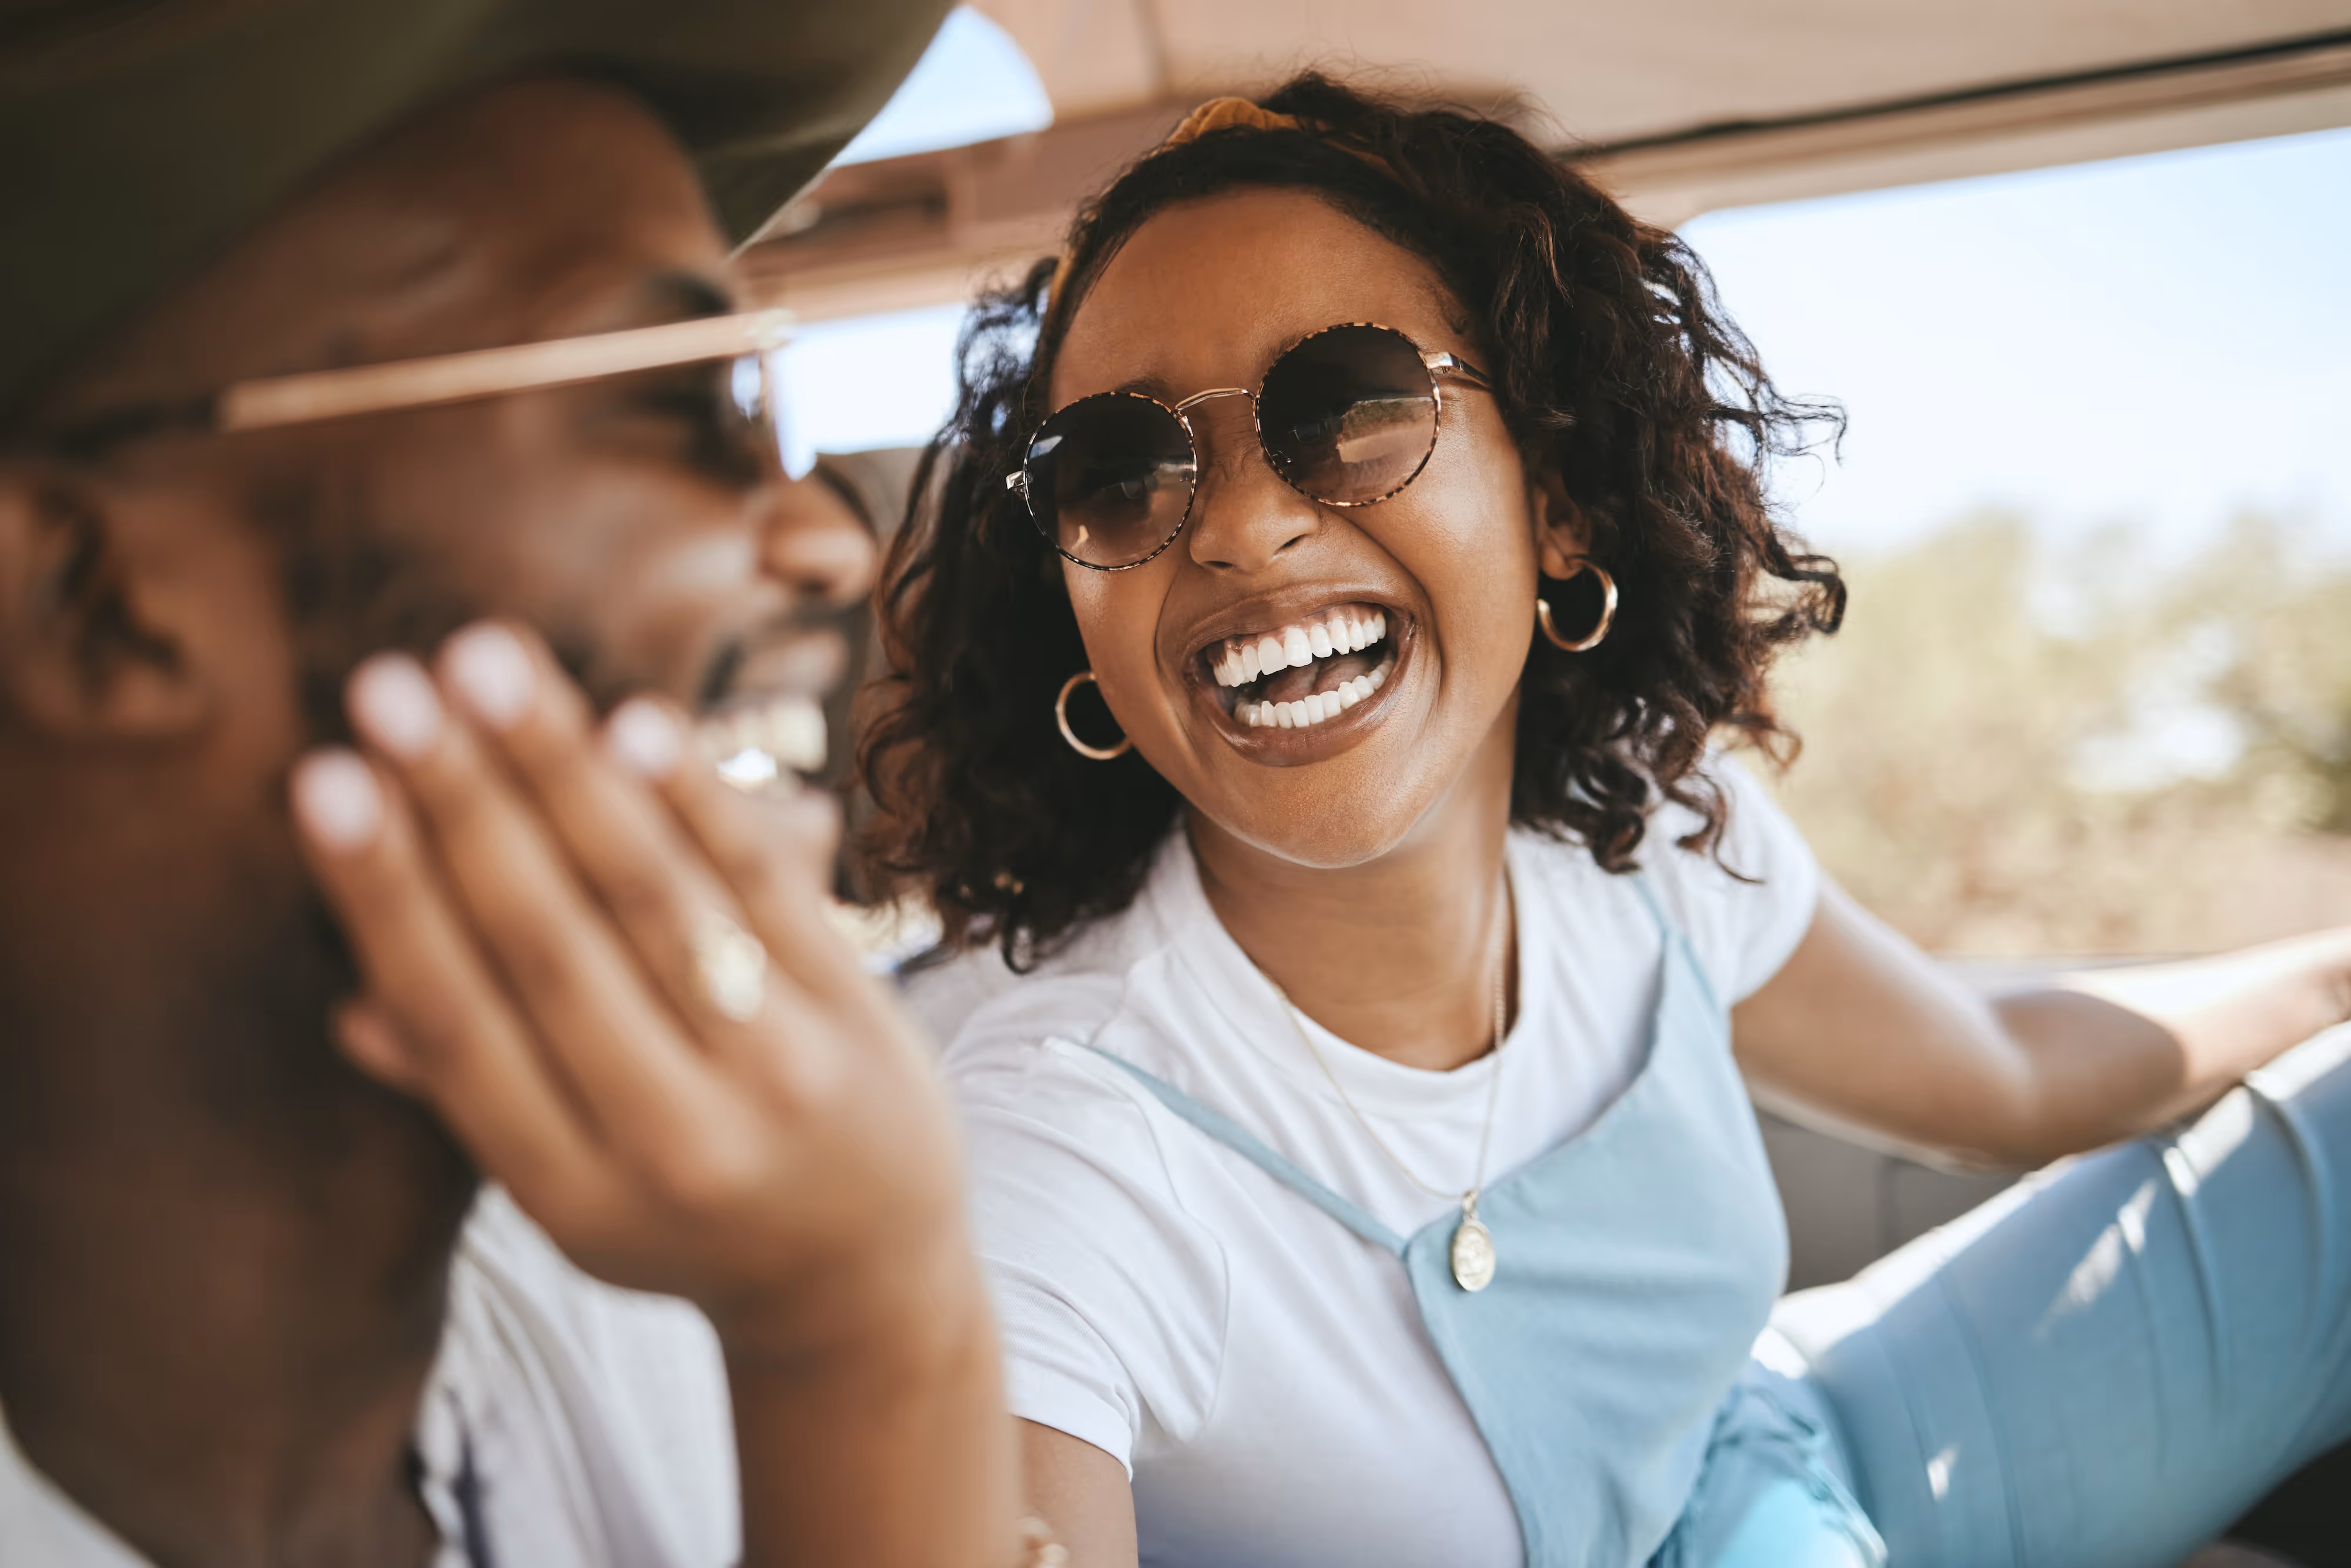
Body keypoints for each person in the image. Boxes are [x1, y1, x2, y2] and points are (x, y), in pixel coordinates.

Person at [860, 75, 2351, 1567]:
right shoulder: (1049, 1140)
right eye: (1118, 475)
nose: (1240, 526)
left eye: (1352, 406)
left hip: (1794, 1440)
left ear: (1556, 499)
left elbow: (2011, 1070)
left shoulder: (1648, 828)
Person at [0, 4, 1037, 1564]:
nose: (823, 538)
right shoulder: (754, 1307)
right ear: (91, 603)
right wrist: (869, 1343)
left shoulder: (641, 1288)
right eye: (676, 399)